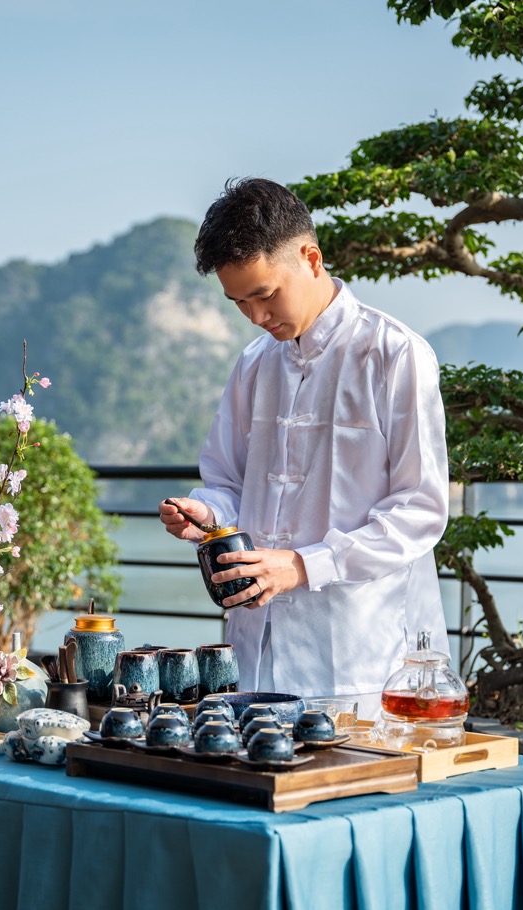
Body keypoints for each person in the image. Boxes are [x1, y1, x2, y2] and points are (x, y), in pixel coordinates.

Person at [159, 177, 449, 718]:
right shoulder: (254, 364)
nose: (256, 317)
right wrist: (206, 511)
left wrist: (303, 564)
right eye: (239, 302)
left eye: (265, 295)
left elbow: (421, 509)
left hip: (358, 647)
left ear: (311, 258)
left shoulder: (394, 355)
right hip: (257, 646)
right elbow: (227, 482)